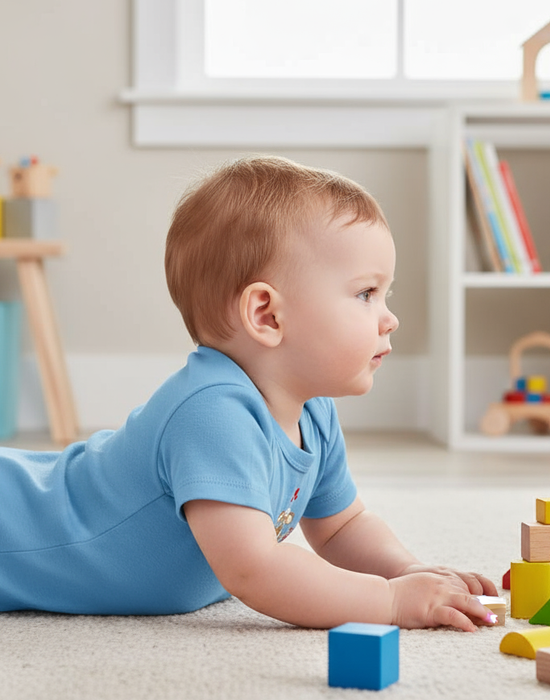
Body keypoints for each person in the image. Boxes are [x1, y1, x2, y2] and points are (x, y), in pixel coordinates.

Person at [0, 156, 498, 630]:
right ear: (267, 315)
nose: (389, 317)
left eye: (385, 295)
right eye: (366, 293)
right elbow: (254, 571)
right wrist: (389, 604)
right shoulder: (212, 412)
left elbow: (343, 526)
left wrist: (407, 574)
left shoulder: (313, 413)